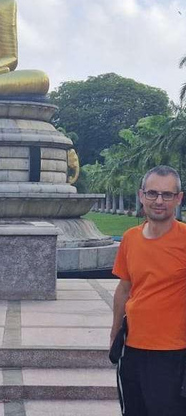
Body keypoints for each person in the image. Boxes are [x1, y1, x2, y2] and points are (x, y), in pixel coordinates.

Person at [110, 165, 186, 415]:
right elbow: (124, 288)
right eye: (152, 193)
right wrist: (115, 332)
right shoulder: (130, 238)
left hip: (173, 354)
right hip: (132, 349)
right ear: (141, 195)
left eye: (167, 195)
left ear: (179, 198)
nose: (159, 201)